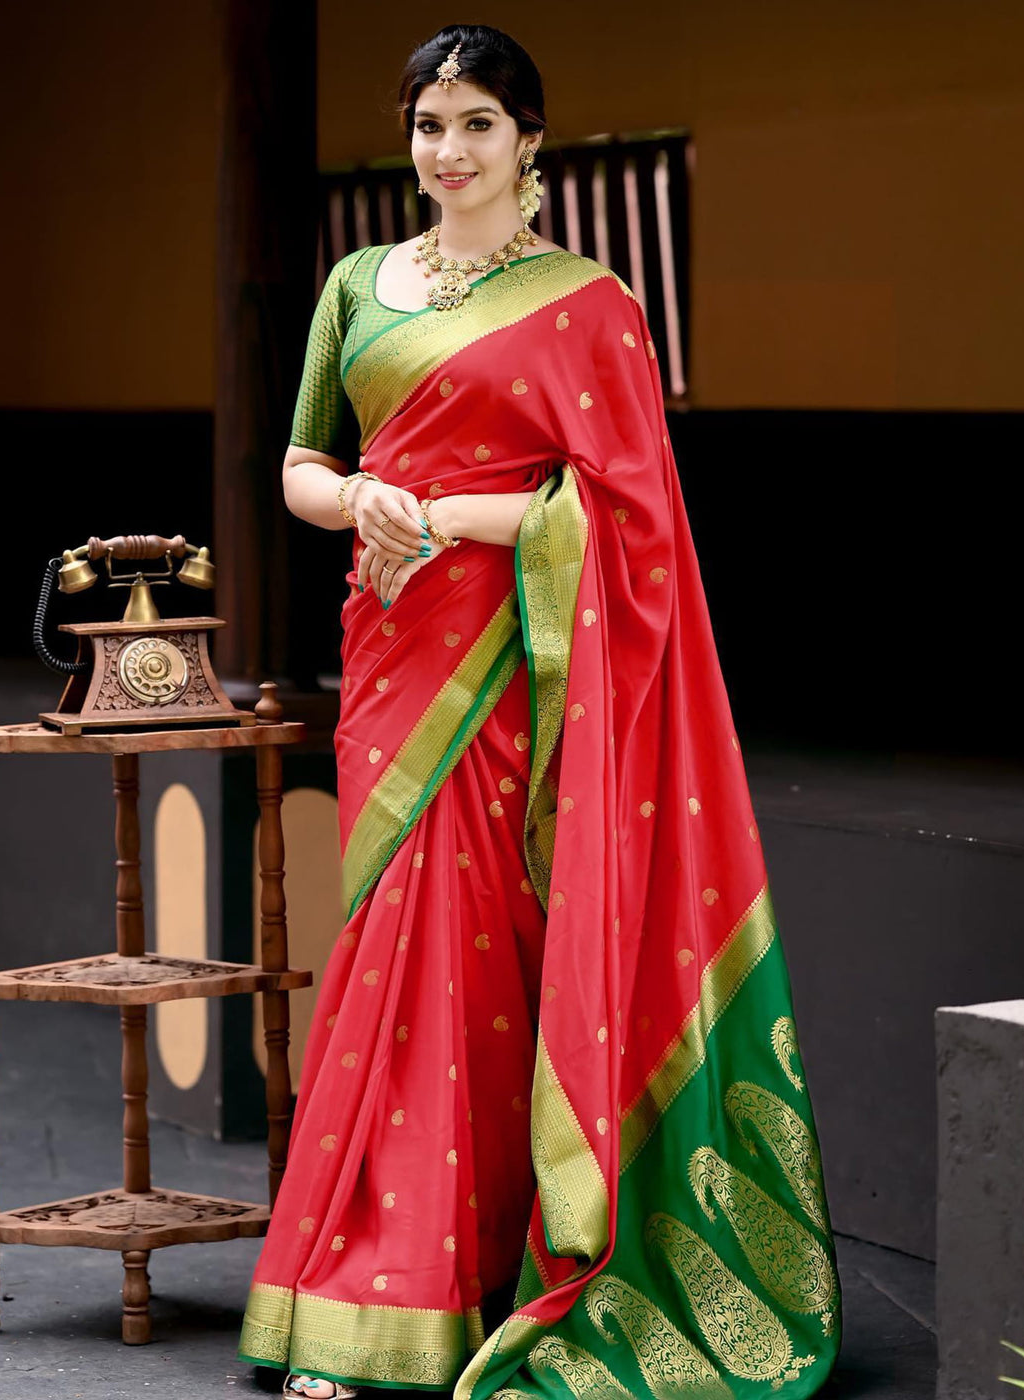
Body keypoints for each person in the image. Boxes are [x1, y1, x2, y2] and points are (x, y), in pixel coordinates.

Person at [238, 23, 841, 1400]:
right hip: (390, 659)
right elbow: (300, 465)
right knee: (390, 961)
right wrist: (361, 501)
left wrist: (440, 514)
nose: (447, 154)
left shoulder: (590, 304)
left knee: (481, 968)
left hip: (520, 672)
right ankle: (356, 1292)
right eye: (428, 127)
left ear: (531, 145)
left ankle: (468, 1277)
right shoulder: (354, 283)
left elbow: (629, 521)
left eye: (476, 127)